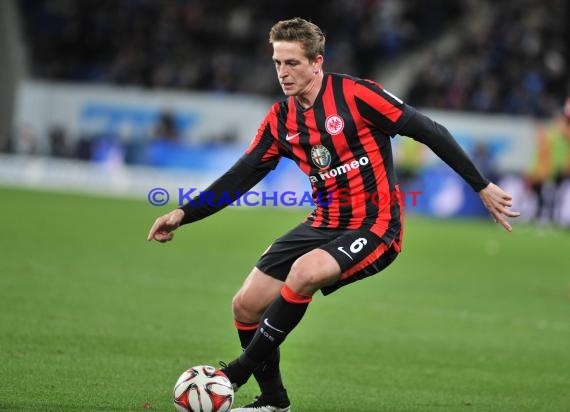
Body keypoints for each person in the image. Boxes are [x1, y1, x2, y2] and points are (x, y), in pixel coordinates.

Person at [147, 18, 520, 412]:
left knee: (305, 273)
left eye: (292, 63)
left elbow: (428, 130)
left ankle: (234, 376)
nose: (283, 72)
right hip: (323, 222)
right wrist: (184, 213)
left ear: (317, 62)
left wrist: (480, 184)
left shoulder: (358, 95)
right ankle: (273, 401)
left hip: (376, 225)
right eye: (277, 63)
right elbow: (242, 175)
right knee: (246, 304)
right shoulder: (281, 119)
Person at [527, 97, 570, 225]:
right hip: (552, 170)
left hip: (557, 169)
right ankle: (545, 218)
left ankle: (547, 218)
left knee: (551, 196)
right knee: (549, 196)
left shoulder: (558, 132)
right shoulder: (554, 133)